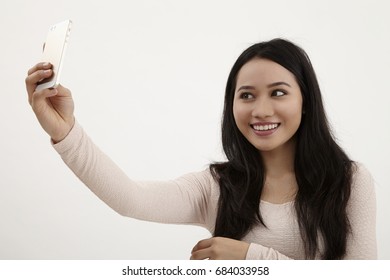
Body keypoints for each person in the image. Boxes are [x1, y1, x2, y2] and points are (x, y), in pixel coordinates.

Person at [25, 38, 376, 259]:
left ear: (306, 102)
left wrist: (252, 259)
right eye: (247, 95)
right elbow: (130, 198)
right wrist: (66, 132)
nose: (261, 110)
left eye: (279, 92)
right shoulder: (217, 185)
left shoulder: (350, 181)